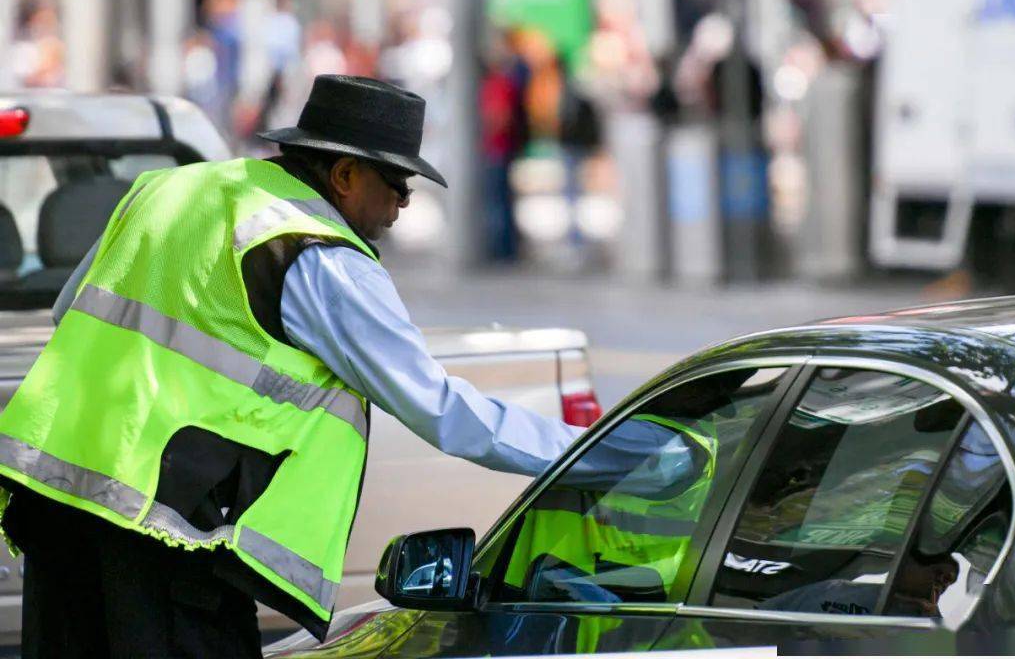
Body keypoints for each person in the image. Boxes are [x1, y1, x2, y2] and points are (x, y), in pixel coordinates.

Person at [0, 75, 587, 658]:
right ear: (345, 175)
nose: (404, 204)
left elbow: (69, 309)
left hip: (59, 512)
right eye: (397, 182)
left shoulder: (166, 190)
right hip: (165, 541)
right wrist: (597, 450)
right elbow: (443, 410)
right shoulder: (317, 254)